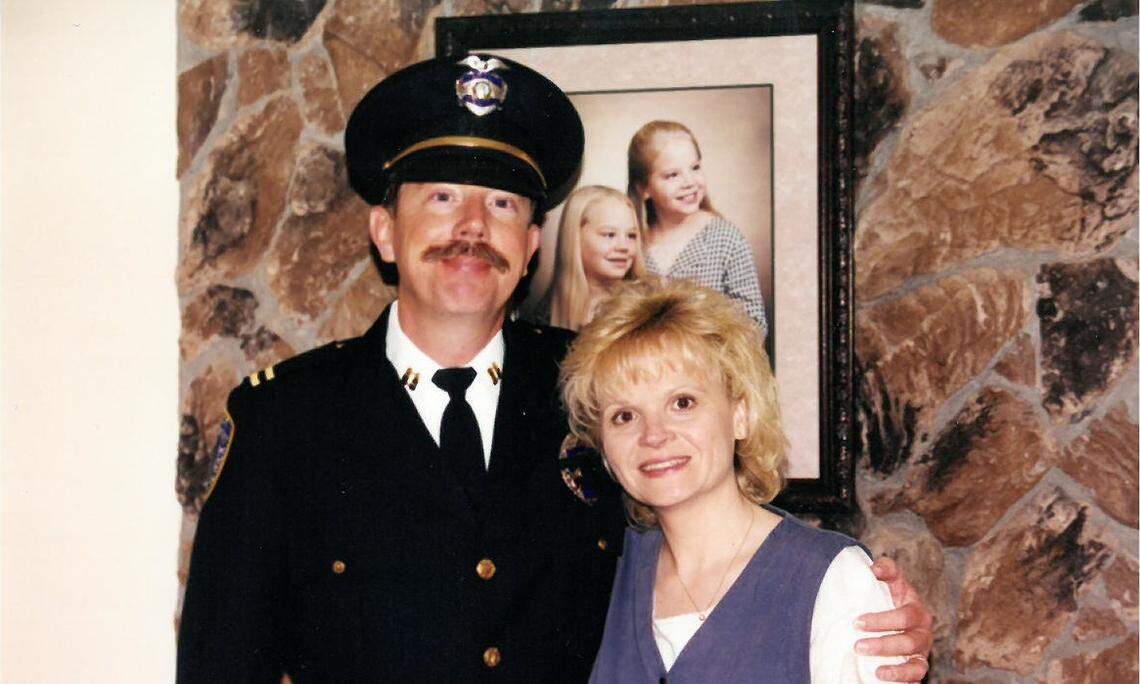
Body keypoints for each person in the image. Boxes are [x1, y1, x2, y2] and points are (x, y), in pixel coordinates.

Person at [177, 54, 932, 682]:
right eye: (441, 197)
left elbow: (707, 536)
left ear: (534, 242)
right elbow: (221, 663)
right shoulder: (287, 418)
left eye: (503, 205)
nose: (472, 228)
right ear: (384, 231)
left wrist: (858, 609)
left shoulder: (597, 389)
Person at [561, 278, 921, 682]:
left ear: (741, 414)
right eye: (624, 416)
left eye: (682, 403)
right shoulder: (603, 572)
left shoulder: (833, 579)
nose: (653, 435)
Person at [627, 120, 768, 336]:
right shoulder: (633, 245)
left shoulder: (724, 238)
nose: (689, 182)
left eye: (695, 168)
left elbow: (754, 324)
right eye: (672, 175)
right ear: (644, 188)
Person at [536, 185, 646, 330]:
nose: (623, 246)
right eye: (609, 235)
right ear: (576, 237)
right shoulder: (546, 314)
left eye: (631, 235)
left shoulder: (647, 307)